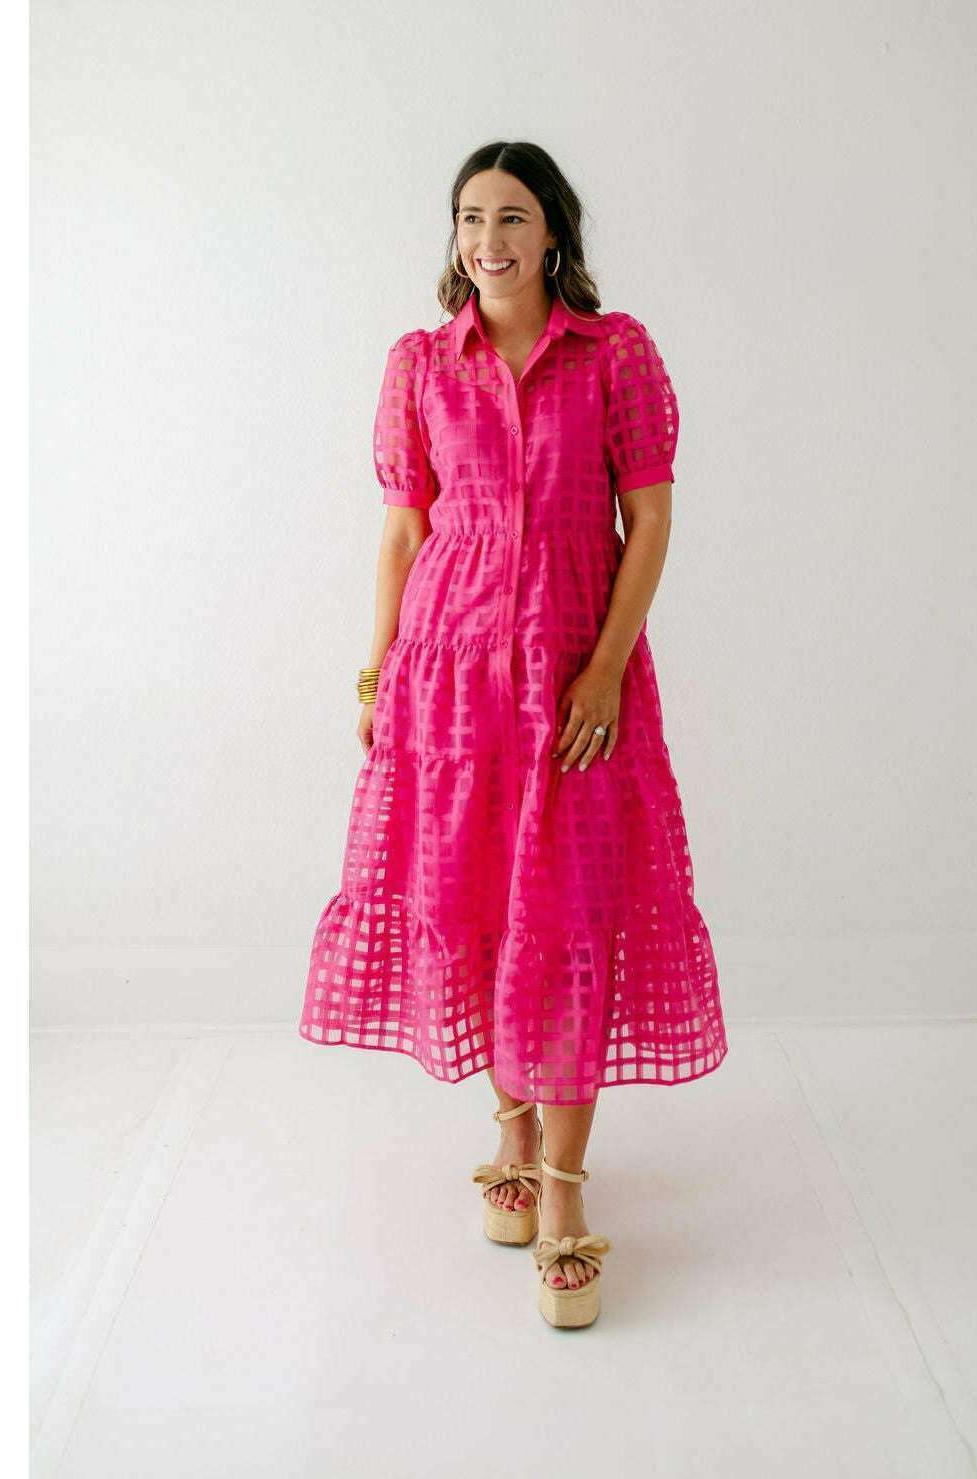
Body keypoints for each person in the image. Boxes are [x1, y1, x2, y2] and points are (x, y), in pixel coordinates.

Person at [300, 140, 728, 1327]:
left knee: (571, 916)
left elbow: (650, 520)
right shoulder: (419, 364)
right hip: (449, 680)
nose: (487, 240)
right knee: (484, 901)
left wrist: (606, 670)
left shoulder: (615, 353)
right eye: (470, 217)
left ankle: (565, 1189)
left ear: (554, 234)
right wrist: (379, 671)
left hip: (575, 678)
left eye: (512, 217)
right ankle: (513, 1131)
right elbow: (404, 533)